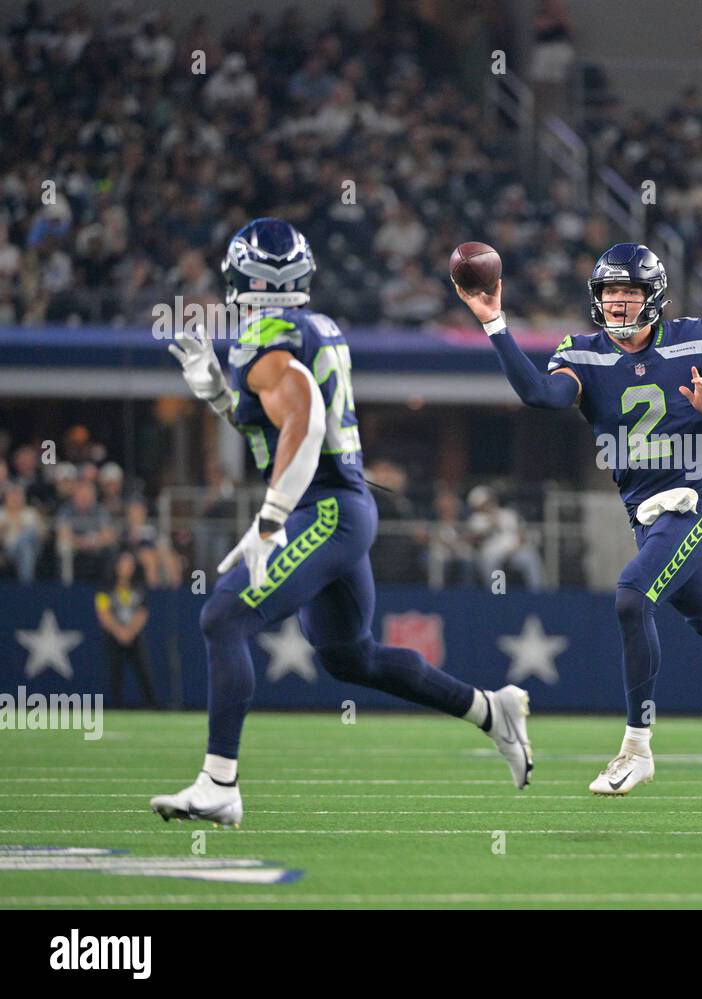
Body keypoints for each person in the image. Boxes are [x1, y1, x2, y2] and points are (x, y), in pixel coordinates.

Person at [150, 218, 532, 827]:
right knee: (350, 657)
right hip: (343, 507)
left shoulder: (267, 338)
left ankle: (219, 781)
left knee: (223, 616)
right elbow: (287, 423)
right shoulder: (312, 327)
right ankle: (490, 711)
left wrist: (271, 520)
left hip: (323, 508)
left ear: (237, 278)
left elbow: (303, 424)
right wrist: (222, 399)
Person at [458, 242, 702, 795]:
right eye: (609, 292)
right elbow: (542, 396)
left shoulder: (690, 339)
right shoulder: (585, 353)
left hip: (698, 503)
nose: (617, 302)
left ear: (652, 296)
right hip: (647, 516)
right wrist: (495, 323)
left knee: (631, 596)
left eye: (629, 291)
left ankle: (636, 748)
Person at [95, 549, 158, 708]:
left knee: (144, 672)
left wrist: (130, 632)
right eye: (123, 563)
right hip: (113, 637)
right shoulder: (106, 588)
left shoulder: (138, 588)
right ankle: (116, 706)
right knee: (115, 674)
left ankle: (152, 706)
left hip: (134, 636)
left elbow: (143, 612)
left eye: (130, 564)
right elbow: (104, 613)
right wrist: (119, 632)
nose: (126, 567)